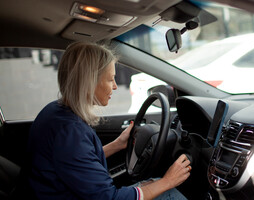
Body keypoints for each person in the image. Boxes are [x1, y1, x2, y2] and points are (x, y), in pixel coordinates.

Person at [26, 42, 190, 200]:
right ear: (90, 82)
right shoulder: (70, 132)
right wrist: (167, 181)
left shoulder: (55, 111)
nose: (116, 86)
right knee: (170, 194)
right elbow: (108, 197)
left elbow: (78, 162)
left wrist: (117, 144)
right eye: (111, 79)